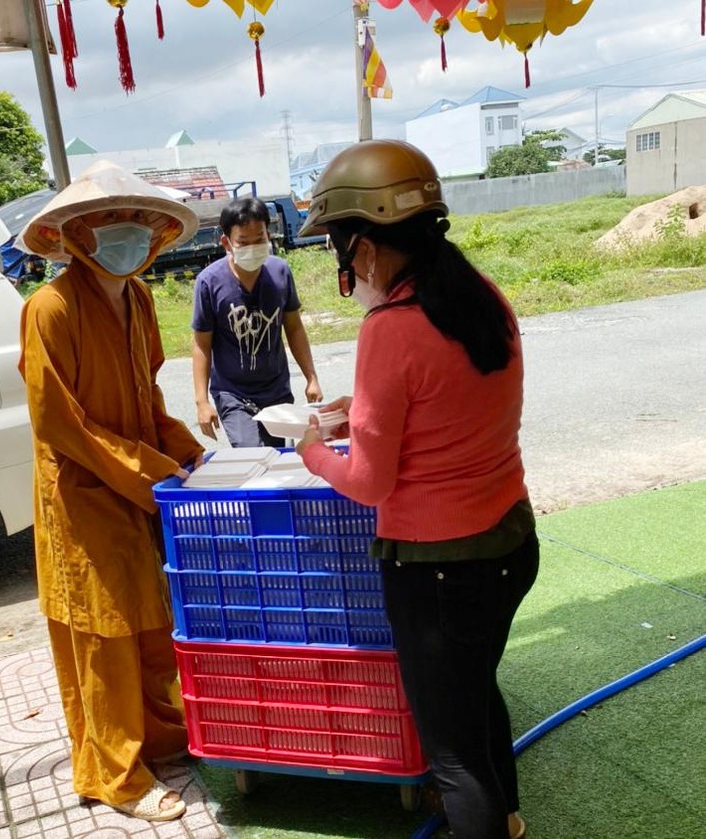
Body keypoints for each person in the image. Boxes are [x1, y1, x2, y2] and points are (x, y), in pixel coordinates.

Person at [294, 140, 538, 839]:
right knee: (477, 689)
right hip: (512, 546)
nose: (345, 267)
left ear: (365, 248)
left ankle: (493, 823)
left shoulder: (390, 329)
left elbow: (368, 480)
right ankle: (510, 817)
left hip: (439, 572)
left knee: (453, 754)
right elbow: (450, 401)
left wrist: (314, 451)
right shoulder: (481, 297)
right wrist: (364, 408)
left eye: (341, 251)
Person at [16, 160, 205, 823]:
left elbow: (145, 394)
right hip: (81, 496)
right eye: (106, 221)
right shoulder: (50, 306)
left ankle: (157, 739)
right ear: (73, 234)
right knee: (103, 635)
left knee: (149, 622)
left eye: (136, 221)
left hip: (132, 484)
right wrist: (150, 470)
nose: (125, 233)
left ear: (155, 234)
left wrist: (187, 453)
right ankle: (114, 774)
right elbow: (59, 421)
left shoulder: (141, 298)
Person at [191, 196, 322, 447]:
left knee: (273, 460)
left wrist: (311, 377)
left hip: (275, 391)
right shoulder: (209, 282)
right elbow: (201, 345)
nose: (253, 247)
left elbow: (294, 328)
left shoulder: (280, 272)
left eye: (259, 239)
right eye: (243, 242)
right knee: (251, 452)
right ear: (226, 243)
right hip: (233, 393)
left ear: (268, 234)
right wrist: (202, 401)